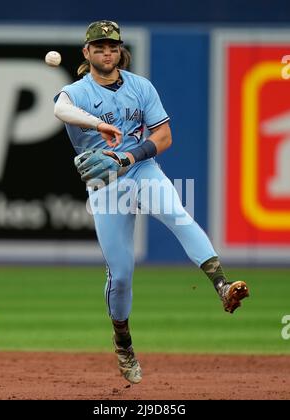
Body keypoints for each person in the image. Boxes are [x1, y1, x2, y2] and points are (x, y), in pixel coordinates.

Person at [54, 20, 249, 385]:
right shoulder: (76, 92)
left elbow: (164, 136)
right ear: (87, 53)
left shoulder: (140, 87)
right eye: (99, 47)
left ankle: (223, 286)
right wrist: (98, 126)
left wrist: (128, 158)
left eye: (111, 47)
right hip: (105, 185)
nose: (106, 53)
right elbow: (61, 110)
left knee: (179, 216)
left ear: (119, 51)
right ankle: (123, 341)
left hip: (141, 171)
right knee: (122, 273)